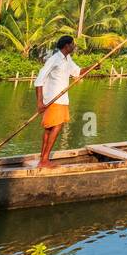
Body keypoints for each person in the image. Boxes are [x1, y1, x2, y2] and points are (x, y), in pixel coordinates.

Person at [34, 35, 81, 168]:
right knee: (56, 127)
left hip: (62, 99)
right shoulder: (54, 59)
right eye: (72, 44)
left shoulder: (67, 59)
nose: (74, 46)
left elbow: (77, 72)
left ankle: (42, 159)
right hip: (53, 99)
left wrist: (93, 67)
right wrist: (40, 103)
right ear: (67, 46)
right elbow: (39, 80)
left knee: (50, 128)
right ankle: (44, 160)